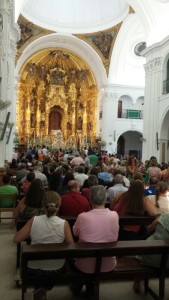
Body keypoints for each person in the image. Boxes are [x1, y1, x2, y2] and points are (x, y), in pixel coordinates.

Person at [13, 191, 73, 297]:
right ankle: (41, 291)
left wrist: (32, 233)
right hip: (57, 267)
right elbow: (71, 246)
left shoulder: (34, 220)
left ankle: (39, 292)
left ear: (43, 205)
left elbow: (17, 239)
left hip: (33, 267)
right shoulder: (64, 224)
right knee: (61, 265)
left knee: (41, 269)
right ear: (59, 206)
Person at [71, 185, 119, 297]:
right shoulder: (114, 215)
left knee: (71, 256)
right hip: (108, 263)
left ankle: (80, 285)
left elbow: (75, 234)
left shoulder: (83, 217)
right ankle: (87, 286)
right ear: (105, 199)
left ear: (90, 199)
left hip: (84, 265)